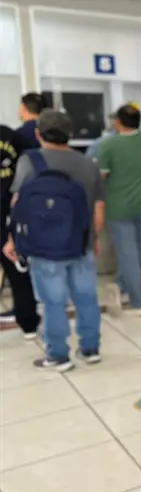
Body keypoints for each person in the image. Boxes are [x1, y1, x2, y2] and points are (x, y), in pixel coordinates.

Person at [3, 110, 105, 372]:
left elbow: (17, 206)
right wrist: (93, 238)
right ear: (70, 134)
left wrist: (12, 240)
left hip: (43, 247)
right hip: (81, 244)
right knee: (86, 298)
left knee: (52, 302)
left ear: (38, 134)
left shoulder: (30, 161)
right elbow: (98, 210)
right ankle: (90, 349)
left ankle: (58, 356)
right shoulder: (88, 164)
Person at [97, 103, 141, 316]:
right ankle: (120, 286)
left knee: (129, 256)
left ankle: (139, 302)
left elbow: (101, 177)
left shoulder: (108, 146)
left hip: (118, 209)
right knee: (135, 254)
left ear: (118, 122)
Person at [0, 124, 40, 337]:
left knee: (16, 266)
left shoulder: (12, 136)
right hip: (10, 208)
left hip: (9, 208)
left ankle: (28, 320)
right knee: (17, 267)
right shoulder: (11, 135)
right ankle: (29, 323)